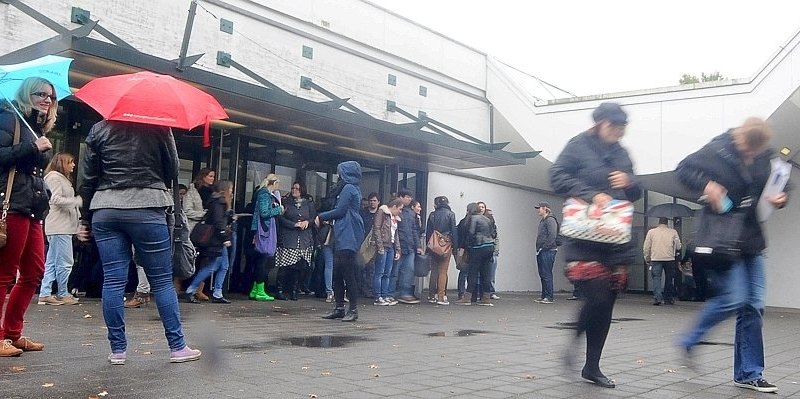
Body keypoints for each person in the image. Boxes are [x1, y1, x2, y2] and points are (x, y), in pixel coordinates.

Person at [676, 117, 788, 393]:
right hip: (723, 239)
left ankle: (749, 373)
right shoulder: (717, 150)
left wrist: (781, 197)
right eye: (748, 150)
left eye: (756, 151)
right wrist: (707, 187)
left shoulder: (765, 154)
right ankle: (690, 339)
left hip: (751, 240)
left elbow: (784, 182)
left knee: (755, 305)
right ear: (739, 138)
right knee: (734, 299)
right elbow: (684, 170)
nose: (752, 155)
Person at [78, 119, 200, 365]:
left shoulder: (99, 128)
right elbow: (173, 171)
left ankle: (118, 351)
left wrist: (86, 218)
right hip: (148, 206)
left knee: (113, 279)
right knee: (162, 280)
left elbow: (87, 177)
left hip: (105, 207)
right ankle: (177, 346)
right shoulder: (159, 126)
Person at [550, 102, 642, 388]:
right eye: (614, 126)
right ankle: (573, 345)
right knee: (597, 296)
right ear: (600, 123)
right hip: (585, 236)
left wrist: (629, 181)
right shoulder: (578, 145)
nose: (619, 131)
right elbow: (556, 177)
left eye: (622, 127)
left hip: (614, 237)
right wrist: (591, 194)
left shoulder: (622, 153)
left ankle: (592, 367)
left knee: (607, 305)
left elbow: (636, 192)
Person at [0, 77, 55, 357]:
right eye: (41, 94)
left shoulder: (36, 127)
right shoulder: (8, 118)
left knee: (34, 272)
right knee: (5, 273)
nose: (47, 99)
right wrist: (33, 148)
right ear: (26, 94)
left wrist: (38, 145)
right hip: (12, 204)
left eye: (51, 96)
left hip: (33, 207)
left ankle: (12, 333)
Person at [317, 161, 365, 322]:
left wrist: (320, 216)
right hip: (344, 232)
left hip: (348, 233)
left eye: (340, 172)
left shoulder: (348, 188)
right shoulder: (351, 188)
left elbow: (340, 210)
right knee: (338, 272)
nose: (338, 176)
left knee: (347, 273)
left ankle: (353, 309)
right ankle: (339, 307)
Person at [38, 152, 81, 306]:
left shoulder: (55, 177)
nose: (74, 165)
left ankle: (45, 292)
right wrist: (75, 201)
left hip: (59, 226)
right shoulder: (55, 178)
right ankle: (62, 292)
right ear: (63, 163)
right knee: (64, 261)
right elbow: (54, 199)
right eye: (70, 162)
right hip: (60, 226)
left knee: (52, 261)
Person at [184, 180, 234, 304]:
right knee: (212, 266)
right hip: (216, 240)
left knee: (224, 266)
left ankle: (217, 293)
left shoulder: (215, 201)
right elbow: (218, 222)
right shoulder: (219, 203)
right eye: (231, 189)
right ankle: (191, 290)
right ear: (225, 190)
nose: (232, 192)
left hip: (217, 239)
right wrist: (225, 237)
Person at [275, 181, 316, 301]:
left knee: (299, 266)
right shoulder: (286, 202)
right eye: (293, 188)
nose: (294, 190)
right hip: (289, 237)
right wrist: (294, 225)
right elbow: (280, 218)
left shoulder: (308, 204)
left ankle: (294, 290)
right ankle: (280, 290)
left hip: (303, 239)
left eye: (297, 188)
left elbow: (314, 218)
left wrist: (307, 223)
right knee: (285, 265)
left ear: (302, 190)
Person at [181, 168, 215, 301]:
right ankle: (179, 286)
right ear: (203, 177)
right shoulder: (193, 191)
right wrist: (204, 215)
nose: (212, 179)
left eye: (213, 176)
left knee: (205, 260)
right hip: (194, 229)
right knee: (188, 257)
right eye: (210, 176)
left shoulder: (213, 193)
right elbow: (187, 211)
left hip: (208, 230)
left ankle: (199, 289)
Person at [249, 174, 283, 301]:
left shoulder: (262, 193)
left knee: (259, 260)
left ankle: (255, 289)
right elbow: (264, 213)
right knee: (262, 261)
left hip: (262, 230)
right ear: (273, 183)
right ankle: (260, 291)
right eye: (277, 185)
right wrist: (278, 209)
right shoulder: (264, 194)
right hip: (264, 231)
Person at [456, 203, 496, 306]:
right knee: (486, 273)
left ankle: (467, 298)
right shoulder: (486, 219)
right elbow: (492, 233)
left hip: (478, 247)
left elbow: (471, 233)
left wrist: (467, 247)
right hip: (489, 247)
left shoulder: (473, 218)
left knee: (473, 272)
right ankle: (486, 298)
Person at [425, 196, 458, 305]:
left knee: (434, 271)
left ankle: (431, 295)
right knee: (443, 272)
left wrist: (428, 247)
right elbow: (454, 231)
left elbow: (428, 232)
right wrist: (455, 247)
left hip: (434, 245)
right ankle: (440, 297)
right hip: (445, 245)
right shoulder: (451, 214)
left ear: (436, 204)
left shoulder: (432, 215)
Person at [643, 217, 681, 306]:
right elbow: (679, 246)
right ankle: (668, 298)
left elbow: (646, 247)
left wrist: (647, 258)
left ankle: (657, 298)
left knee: (656, 278)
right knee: (669, 278)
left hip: (655, 258)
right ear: (667, 223)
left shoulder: (651, 232)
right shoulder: (673, 232)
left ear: (659, 223)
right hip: (669, 259)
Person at [393, 188, 422, 304]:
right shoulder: (394, 209)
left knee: (408, 270)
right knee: (394, 271)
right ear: (401, 197)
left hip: (409, 247)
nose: (410, 199)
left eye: (411, 197)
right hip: (398, 246)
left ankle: (404, 293)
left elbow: (414, 230)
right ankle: (391, 293)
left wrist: (418, 245)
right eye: (408, 197)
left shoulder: (410, 213)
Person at [372, 198, 403, 306]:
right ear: (394, 206)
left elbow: (396, 234)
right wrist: (379, 246)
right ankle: (378, 296)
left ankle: (384, 295)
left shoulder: (394, 217)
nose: (400, 211)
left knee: (387, 273)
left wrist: (398, 249)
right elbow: (376, 228)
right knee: (380, 272)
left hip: (390, 246)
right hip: (383, 246)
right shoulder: (382, 213)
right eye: (400, 209)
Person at [534, 201, 558, 304]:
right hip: (542, 250)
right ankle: (544, 295)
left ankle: (549, 296)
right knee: (543, 273)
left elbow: (552, 235)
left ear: (544, 208)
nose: (538, 210)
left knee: (546, 273)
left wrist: (544, 247)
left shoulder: (550, 220)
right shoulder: (543, 221)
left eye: (539, 208)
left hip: (548, 250)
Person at [358, 192, 380, 298]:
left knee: (371, 268)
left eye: (374, 200)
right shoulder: (362, 213)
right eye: (370, 200)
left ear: (378, 202)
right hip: (362, 242)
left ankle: (369, 289)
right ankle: (361, 288)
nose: (372, 202)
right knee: (361, 266)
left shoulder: (379, 214)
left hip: (373, 244)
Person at [478, 202, 500, 300]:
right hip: (483, 249)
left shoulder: (491, 222)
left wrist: (496, 250)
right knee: (484, 273)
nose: (481, 209)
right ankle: (484, 293)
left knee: (490, 273)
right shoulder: (478, 220)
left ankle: (490, 292)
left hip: (490, 250)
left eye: (483, 207)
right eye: (480, 207)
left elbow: (496, 238)